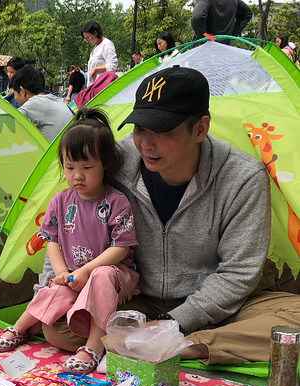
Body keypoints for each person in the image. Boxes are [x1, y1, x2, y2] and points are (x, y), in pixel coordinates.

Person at [46, 67, 282, 365]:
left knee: (291, 321)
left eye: (163, 130)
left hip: (212, 307)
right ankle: (157, 344)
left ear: (200, 129)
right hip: (134, 299)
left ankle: (177, 345)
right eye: (140, 128)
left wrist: (175, 322)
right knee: (57, 325)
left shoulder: (242, 178)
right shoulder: (115, 161)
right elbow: (66, 224)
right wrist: (54, 287)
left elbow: (238, 273)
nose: (146, 143)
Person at [0, 108, 138, 373]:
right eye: (70, 167)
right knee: (55, 289)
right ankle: (20, 328)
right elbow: (52, 241)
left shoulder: (116, 202)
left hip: (113, 276)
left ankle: (93, 348)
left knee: (101, 275)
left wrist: (85, 271)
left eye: (87, 167)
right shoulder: (60, 200)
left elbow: (121, 247)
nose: (77, 175)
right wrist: (61, 273)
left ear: (105, 164)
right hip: (75, 275)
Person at [9, 66, 73, 142]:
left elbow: (10, 130)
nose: (15, 98)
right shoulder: (56, 100)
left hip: (53, 149)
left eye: (15, 94)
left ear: (22, 91)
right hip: (67, 146)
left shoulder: (32, 105)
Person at [81, 21, 118, 85]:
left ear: (95, 33)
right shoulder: (95, 48)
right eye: (85, 39)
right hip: (93, 85)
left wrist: (95, 69)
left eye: (88, 38)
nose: (87, 41)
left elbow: (112, 66)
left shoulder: (107, 44)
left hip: (102, 85)